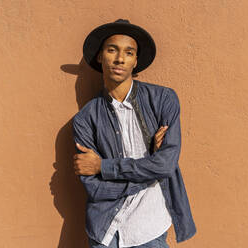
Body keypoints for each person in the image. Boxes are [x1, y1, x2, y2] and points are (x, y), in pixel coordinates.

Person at [72, 19, 196, 248]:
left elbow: (166, 165)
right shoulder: (85, 119)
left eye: (129, 53)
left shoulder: (163, 100)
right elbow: (95, 188)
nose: (120, 59)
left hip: (149, 227)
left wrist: (103, 167)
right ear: (100, 56)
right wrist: (151, 170)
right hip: (105, 231)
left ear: (135, 61)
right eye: (112, 50)